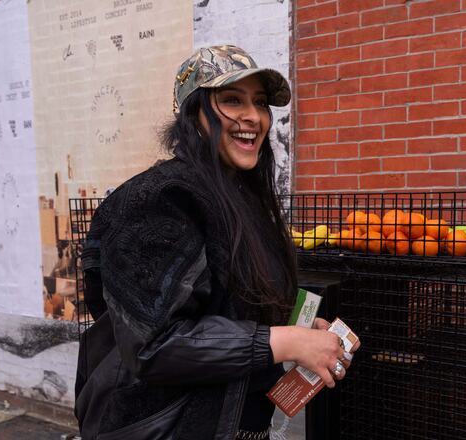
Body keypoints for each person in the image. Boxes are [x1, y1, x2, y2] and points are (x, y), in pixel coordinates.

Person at [74, 45, 357, 440]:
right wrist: (283, 340)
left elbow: (228, 306)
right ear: (194, 114)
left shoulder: (239, 198)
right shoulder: (161, 198)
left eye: (259, 103)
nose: (253, 117)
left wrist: (300, 332)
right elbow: (151, 343)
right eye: (231, 99)